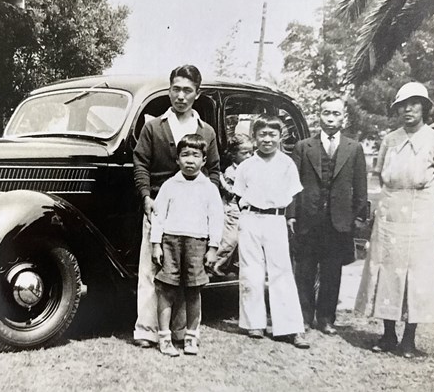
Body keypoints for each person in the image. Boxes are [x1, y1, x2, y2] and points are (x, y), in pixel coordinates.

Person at [132, 65, 221, 348]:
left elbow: (216, 170)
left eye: (187, 90)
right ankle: (147, 330)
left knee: (187, 276)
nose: (180, 96)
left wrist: (207, 199)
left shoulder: (205, 131)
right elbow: (141, 164)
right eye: (176, 89)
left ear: (197, 93)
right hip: (159, 208)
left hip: (192, 217)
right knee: (152, 270)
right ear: (169, 89)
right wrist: (146, 196)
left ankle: (181, 332)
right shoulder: (154, 126)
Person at [355, 82, 434, 358]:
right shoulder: (390, 139)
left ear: (425, 108)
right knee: (387, 270)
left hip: (422, 212)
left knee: (416, 272)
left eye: (414, 103)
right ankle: (388, 334)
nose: (408, 109)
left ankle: (409, 340)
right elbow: (380, 175)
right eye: (402, 104)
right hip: (391, 211)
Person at [287, 96, 368, 335]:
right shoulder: (303, 146)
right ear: (319, 116)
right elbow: (292, 184)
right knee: (304, 269)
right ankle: (303, 316)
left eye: (335, 114)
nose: (330, 118)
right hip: (308, 218)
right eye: (326, 113)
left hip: (338, 221)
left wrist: (356, 218)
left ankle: (326, 318)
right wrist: (291, 214)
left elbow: (360, 187)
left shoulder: (354, 148)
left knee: (332, 271)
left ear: (344, 117)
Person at [232, 114, 309, 349]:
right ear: (254, 138)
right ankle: (254, 323)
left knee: (281, 272)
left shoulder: (287, 164)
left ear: (280, 137)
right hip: (251, 219)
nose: (267, 140)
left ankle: (289, 326)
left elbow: (293, 194)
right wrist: (248, 210)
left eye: (272, 135)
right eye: (262, 135)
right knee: (251, 272)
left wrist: (288, 218)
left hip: (275, 219)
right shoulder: (246, 166)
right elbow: (238, 194)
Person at [150, 134, 223, 356]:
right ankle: (164, 337)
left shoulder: (209, 188)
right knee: (167, 289)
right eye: (185, 155)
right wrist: (156, 244)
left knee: (193, 291)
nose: (190, 160)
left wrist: (212, 248)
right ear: (177, 160)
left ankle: (191, 336)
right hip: (171, 242)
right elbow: (159, 217)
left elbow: (216, 218)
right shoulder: (169, 186)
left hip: (197, 243)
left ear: (203, 160)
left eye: (195, 156)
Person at [210, 133, 253, 276]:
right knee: (230, 239)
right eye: (244, 153)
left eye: (251, 153)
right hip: (232, 208)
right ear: (234, 155)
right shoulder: (231, 171)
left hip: (245, 208)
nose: (248, 156)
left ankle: (235, 265)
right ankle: (216, 264)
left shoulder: (249, 169)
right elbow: (230, 192)